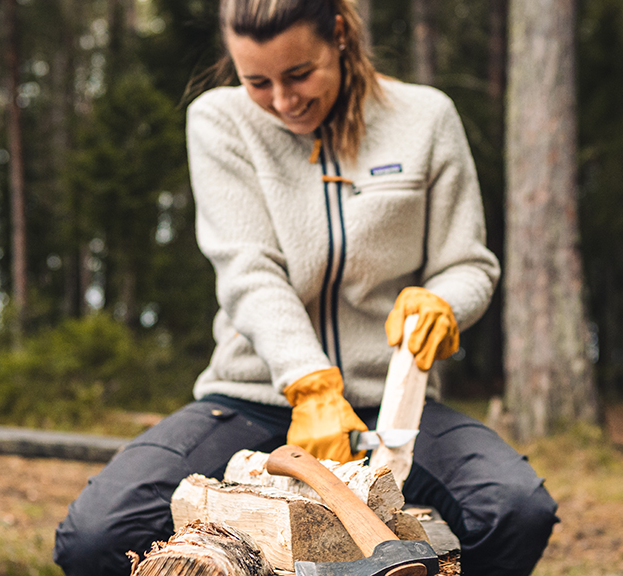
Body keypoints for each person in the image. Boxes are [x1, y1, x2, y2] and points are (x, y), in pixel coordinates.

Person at [53, 0, 558, 574]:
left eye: (299, 74)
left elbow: (469, 264)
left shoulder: (426, 118)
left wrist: (443, 302)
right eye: (257, 82)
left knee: (516, 507)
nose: (284, 101)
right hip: (252, 398)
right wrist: (310, 386)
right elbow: (249, 270)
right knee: (95, 535)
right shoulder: (219, 120)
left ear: (339, 36)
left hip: (390, 408)